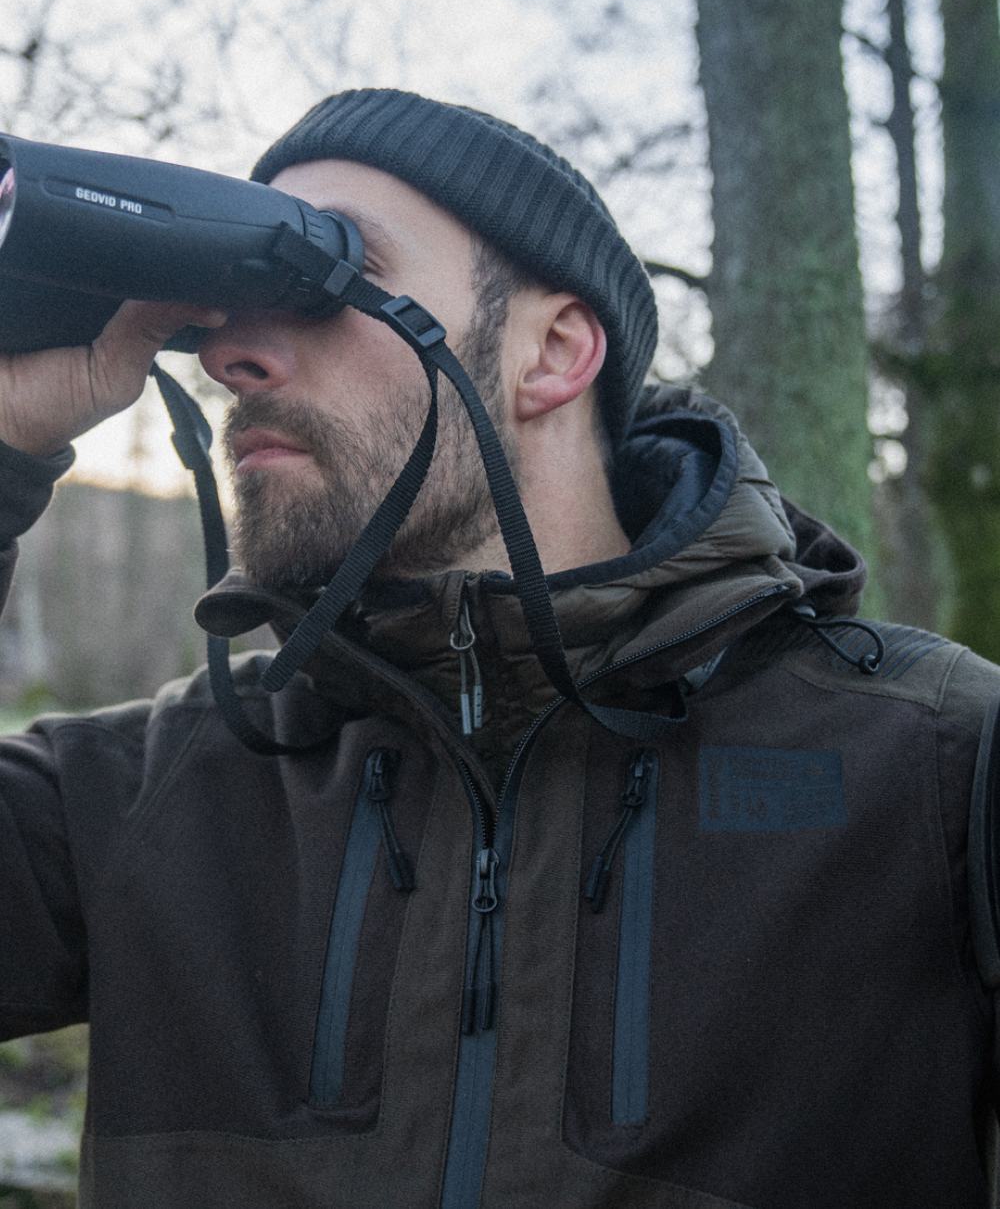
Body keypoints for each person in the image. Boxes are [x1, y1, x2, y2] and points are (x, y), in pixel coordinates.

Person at [0, 88, 998, 1209]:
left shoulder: (931, 762)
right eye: (233, 293)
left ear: (553, 352)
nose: (233, 351)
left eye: (329, 270)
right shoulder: (154, 789)